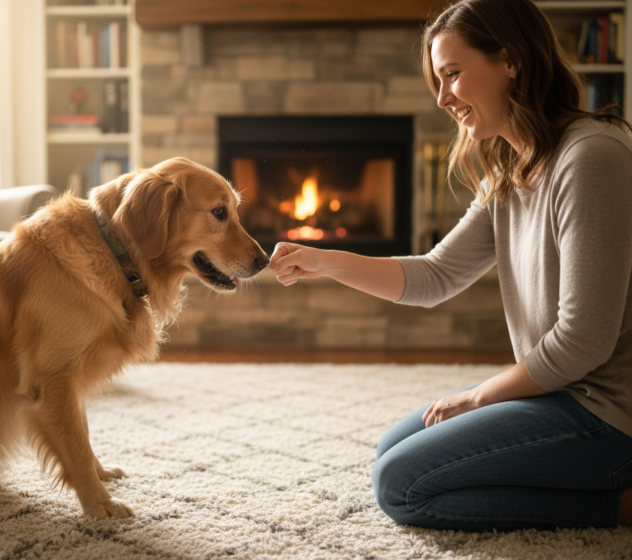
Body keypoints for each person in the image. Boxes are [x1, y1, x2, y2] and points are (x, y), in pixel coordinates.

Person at [269, 0, 632, 532]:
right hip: (559, 394)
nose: (442, 99)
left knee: (402, 486)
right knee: (395, 446)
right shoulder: (512, 168)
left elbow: (583, 340)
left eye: (453, 75)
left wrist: (478, 396)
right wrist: (325, 260)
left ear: (510, 61)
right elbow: (435, 276)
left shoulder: (591, 157)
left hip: (608, 415)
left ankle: (618, 505)